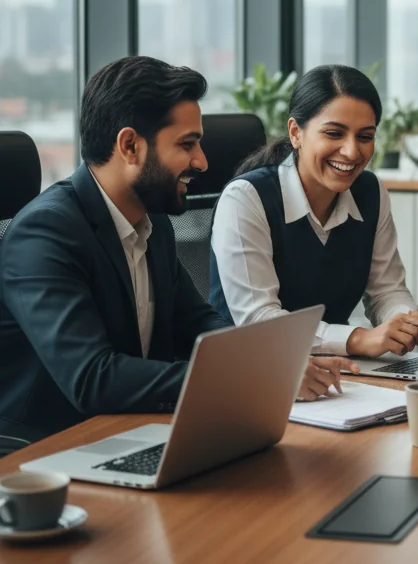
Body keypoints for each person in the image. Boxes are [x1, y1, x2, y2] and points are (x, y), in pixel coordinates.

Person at [0, 57, 353, 445]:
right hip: (49, 450)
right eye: (187, 144)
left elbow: (198, 322)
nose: (201, 161)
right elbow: (91, 378)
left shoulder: (153, 224)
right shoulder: (46, 232)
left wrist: (273, 362)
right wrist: (251, 376)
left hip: (132, 429)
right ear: (130, 146)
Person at [210, 64, 418, 359]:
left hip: (333, 371)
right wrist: (357, 339)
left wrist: (406, 321)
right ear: (296, 133)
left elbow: (386, 290)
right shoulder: (245, 199)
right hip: (250, 371)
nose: (352, 152)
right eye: (334, 133)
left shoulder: (370, 193)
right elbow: (258, 320)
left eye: (365, 137)